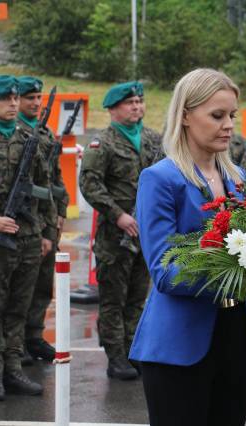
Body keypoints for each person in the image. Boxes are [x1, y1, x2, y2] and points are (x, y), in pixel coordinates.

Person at [129, 68, 246, 426]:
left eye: (232, 115)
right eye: (217, 115)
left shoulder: (239, 180)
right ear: (185, 115)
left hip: (237, 338)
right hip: (178, 345)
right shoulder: (159, 179)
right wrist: (236, 270)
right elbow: (164, 272)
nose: (229, 125)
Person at [0, 75, 55, 401]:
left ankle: (13, 369)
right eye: (7, 100)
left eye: (17, 100)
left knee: (19, 309)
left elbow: (44, 188)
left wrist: (47, 233)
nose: (14, 105)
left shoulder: (29, 138)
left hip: (29, 239)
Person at [79, 82, 161, 380]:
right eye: (130, 103)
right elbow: (90, 184)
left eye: (140, 101)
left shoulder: (154, 140)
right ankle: (115, 356)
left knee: (139, 296)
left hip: (146, 233)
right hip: (116, 235)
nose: (137, 107)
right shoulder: (102, 143)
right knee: (114, 297)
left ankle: (133, 350)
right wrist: (118, 215)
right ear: (113, 109)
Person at [16, 76, 69, 364]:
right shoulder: (16, 133)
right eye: (30, 98)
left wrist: (60, 212)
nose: (36, 103)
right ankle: (16, 342)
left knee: (42, 284)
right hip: (27, 220)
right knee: (21, 286)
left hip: (49, 219)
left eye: (38, 98)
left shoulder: (45, 133)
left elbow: (55, 179)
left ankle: (34, 336)